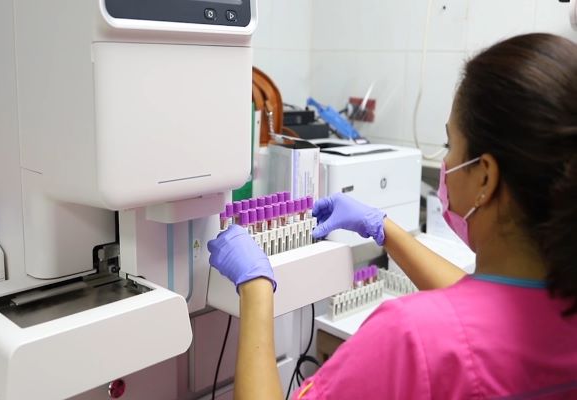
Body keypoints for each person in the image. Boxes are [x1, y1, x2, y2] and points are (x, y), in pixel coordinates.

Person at [207, 33, 577, 399]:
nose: (446, 163)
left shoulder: (410, 337)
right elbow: (486, 310)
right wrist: (382, 227)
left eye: (451, 145)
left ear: (485, 176)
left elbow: (465, 325)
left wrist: (256, 292)